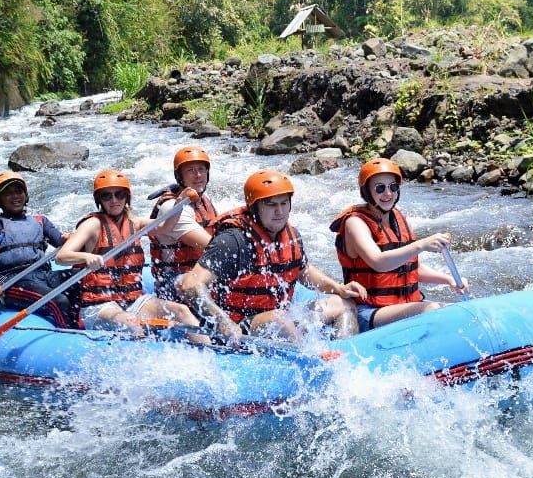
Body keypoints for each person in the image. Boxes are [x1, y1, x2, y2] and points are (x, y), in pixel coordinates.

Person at [178, 169, 366, 343]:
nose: (280, 211)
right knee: (279, 319)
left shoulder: (291, 235)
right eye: (271, 205)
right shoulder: (232, 240)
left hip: (278, 318)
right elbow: (190, 284)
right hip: (240, 326)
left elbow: (303, 270)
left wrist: (337, 288)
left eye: (284, 203)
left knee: (343, 304)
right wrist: (222, 321)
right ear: (255, 208)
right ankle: (310, 360)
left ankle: (343, 357)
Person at [56, 169, 206, 337]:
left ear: (126, 197)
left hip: (131, 302)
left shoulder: (135, 223)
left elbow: (166, 227)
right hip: (99, 307)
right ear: (99, 200)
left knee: (181, 310)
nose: (114, 200)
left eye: (119, 194)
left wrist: (179, 203)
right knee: (131, 325)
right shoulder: (93, 224)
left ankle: (209, 357)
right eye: (107, 196)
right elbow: (62, 256)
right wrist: (86, 256)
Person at [330, 157, 466, 332]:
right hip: (368, 311)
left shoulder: (401, 220)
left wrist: (449, 280)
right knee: (432, 310)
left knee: (456, 311)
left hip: (401, 307)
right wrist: (421, 245)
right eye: (380, 188)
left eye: (393, 187)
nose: (388, 193)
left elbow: (413, 268)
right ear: (366, 192)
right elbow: (378, 262)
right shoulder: (355, 223)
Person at [0, 171, 76, 328]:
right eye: (8, 193)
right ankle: (73, 335)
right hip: (12, 283)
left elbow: (65, 245)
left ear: (26, 196)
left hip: (44, 275)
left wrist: (74, 238)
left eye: (19, 191)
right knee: (59, 301)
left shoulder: (40, 221)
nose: (15, 196)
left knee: (83, 281)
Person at [148, 146, 220, 301]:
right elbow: (212, 246)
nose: (198, 175)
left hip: (199, 274)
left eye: (201, 169)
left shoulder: (204, 201)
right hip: (172, 284)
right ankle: (224, 324)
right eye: (191, 171)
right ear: (179, 176)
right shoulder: (173, 207)